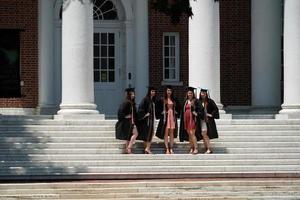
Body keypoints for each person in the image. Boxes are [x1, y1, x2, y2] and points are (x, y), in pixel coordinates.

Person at [156, 85, 180, 154]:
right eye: (168, 90)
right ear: (166, 91)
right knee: (166, 132)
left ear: (172, 92)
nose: (169, 92)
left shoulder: (174, 99)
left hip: (172, 116)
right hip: (165, 117)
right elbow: (157, 107)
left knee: (171, 132)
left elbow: (179, 107)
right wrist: (161, 112)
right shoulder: (162, 99)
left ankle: (171, 148)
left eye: (170, 90)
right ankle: (167, 148)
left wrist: (176, 112)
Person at [179, 87, 203, 154]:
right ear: (187, 93)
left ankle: (196, 148)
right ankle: (191, 148)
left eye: (191, 93)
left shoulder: (196, 101)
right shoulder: (185, 101)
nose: (190, 94)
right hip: (186, 119)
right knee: (189, 134)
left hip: (192, 119)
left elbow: (201, 109)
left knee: (192, 133)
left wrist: (196, 113)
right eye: (189, 93)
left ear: (193, 94)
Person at [115, 88, 139, 154]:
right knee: (136, 133)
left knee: (128, 136)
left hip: (131, 121)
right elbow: (120, 111)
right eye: (131, 94)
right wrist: (125, 116)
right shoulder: (126, 103)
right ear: (129, 95)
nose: (133, 95)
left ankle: (127, 149)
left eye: (134, 94)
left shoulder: (131, 103)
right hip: (128, 122)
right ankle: (129, 147)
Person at [137, 86, 158, 154]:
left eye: (154, 91)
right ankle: (147, 148)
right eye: (152, 91)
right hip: (147, 120)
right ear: (149, 92)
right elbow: (140, 108)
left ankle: (146, 149)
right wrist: (145, 115)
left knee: (150, 134)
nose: (153, 93)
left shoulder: (152, 100)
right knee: (149, 133)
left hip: (151, 119)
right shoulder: (145, 99)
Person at [198, 88, 219, 154]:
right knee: (203, 134)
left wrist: (211, 115)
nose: (203, 94)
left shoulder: (210, 101)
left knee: (204, 133)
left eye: (204, 93)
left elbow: (215, 109)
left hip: (207, 120)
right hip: (201, 120)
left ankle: (209, 148)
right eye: (202, 93)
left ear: (206, 94)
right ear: (200, 93)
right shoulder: (199, 101)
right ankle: (207, 148)